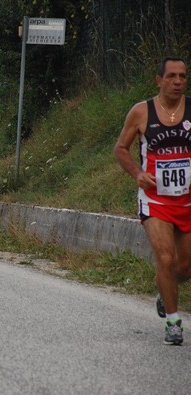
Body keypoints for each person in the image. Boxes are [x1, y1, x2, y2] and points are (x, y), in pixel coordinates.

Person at [114, 56, 191, 345]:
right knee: (166, 258)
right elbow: (121, 148)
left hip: (187, 200)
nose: (178, 82)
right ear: (159, 80)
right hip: (155, 200)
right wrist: (137, 173)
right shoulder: (141, 112)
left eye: (182, 76)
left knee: (185, 268)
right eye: (171, 76)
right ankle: (173, 323)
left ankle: (164, 288)